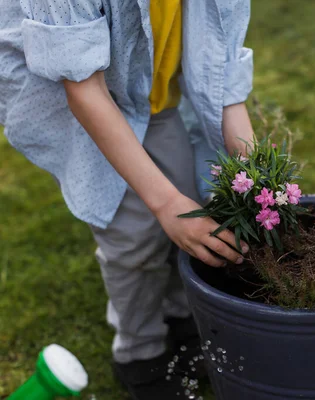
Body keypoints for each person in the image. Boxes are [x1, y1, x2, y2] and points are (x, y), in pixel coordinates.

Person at [0, 0, 255, 398]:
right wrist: (165, 204)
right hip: (84, 102)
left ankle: (180, 319)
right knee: (133, 236)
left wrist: (253, 171)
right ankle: (140, 355)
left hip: (155, 98)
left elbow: (224, 69)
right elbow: (83, 90)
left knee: (188, 201)